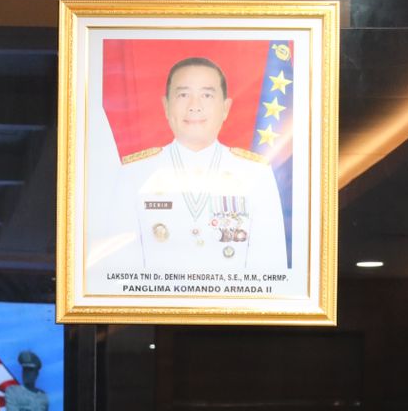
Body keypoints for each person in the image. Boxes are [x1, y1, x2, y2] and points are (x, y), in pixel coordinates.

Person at [114, 56, 287, 276]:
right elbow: (120, 272)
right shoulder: (134, 173)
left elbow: (270, 271)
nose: (194, 106)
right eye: (183, 95)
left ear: (225, 108)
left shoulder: (256, 174)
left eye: (206, 95)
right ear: (166, 106)